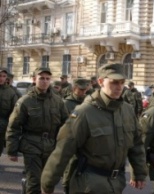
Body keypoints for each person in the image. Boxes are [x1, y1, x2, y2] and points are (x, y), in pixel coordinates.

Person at [41, 63, 147, 194]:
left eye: (122, 82)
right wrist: (48, 184)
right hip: (89, 184)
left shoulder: (127, 110)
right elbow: (63, 150)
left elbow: (136, 144)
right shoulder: (84, 112)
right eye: (114, 82)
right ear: (101, 81)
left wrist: (139, 172)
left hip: (117, 183)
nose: (119, 87)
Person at [6, 67, 69, 194]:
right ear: (34, 79)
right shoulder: (25, 101)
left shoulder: (57, 101)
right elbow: (14, 126)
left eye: (47, 79)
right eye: (41, 78)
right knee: (35, 182)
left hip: (51, 146)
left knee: (48, 182)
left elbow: (65, 124)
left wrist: (65, 146)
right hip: (31, 145)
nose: (45, 81)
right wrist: (12, 150)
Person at [62, 78, 90, 193]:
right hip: (71, 142)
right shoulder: (66, 104)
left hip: (85, 144)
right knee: (70, 169)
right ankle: (67, 188)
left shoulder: (88, 103)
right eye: (80, 90)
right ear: (74, 89)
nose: (83, 92)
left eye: (85, 90)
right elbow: (62, 124)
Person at [0, 68, 17, 157]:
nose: (1, 78)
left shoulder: (10, 92)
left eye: (4, 76)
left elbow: (14, 111)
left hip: (3, 126)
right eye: (0, 76)